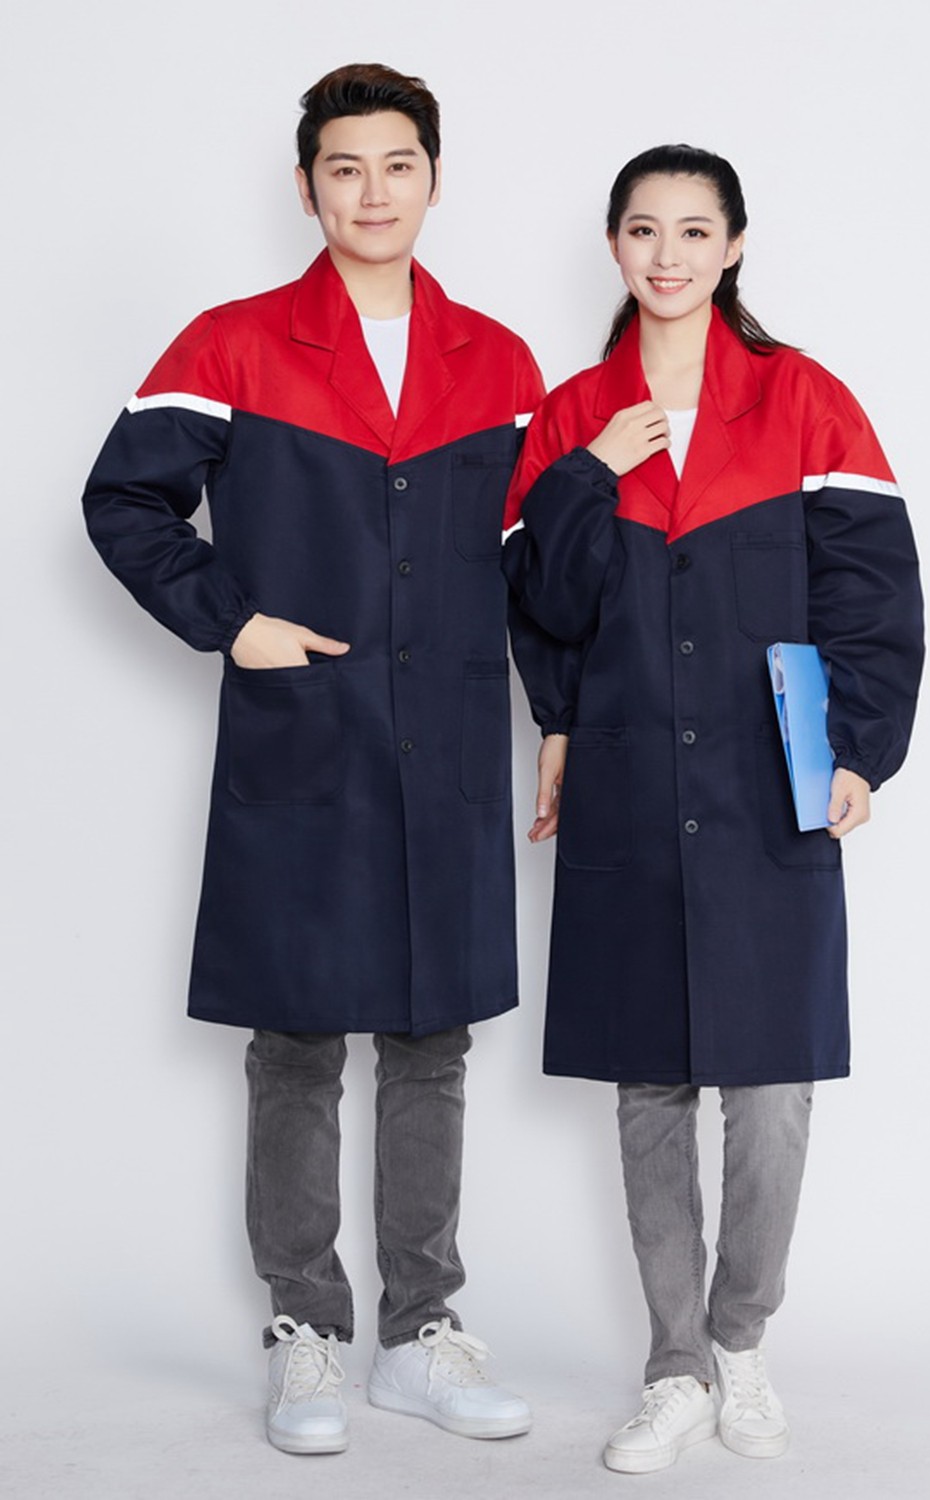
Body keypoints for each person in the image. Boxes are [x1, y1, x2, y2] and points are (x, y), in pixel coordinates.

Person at [83, 63, 543, 1456]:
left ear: (434, 179)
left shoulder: (500, 364)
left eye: (397, 164)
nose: (372, 191)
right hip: (307, 742)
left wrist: (566, 720)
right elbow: (124, 498)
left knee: (432, 1037)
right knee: (295, 1042)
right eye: (345, 167)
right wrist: (232, 622)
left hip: (446, 743)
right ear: (306, 186)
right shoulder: (234, 346)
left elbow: (538, 569)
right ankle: (307, 1331)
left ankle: (419, 1333)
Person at [503, 144, 923, 1473]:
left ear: (735, 244)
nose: (669, 254)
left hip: (765, 781)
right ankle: (673, 1364)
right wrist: (588, 473)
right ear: (615, 247)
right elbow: (544, 606)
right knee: (651, 1082)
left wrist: (858, 750)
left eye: (695, 230)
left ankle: (741, 1341)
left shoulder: (806, 401)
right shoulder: (573, 414)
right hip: (628, 778)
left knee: (773, 1085)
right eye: (645, 230)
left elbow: (872, 592)